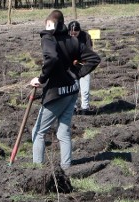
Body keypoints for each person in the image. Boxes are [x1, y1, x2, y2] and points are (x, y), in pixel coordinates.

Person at [30, 10, 100, 169]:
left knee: (38, 132)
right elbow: (94, 59)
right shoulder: (73, 41)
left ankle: (37, 170)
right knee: (63, 131)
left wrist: (41, 79)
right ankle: (66, 167)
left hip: (57, 93)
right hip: (72, 91)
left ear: (49, 24)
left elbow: (52, 58)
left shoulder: (48, 38)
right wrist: (77, 74)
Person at [69, 21, 95, 111]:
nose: (73, 35)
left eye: (75, 33)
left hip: (84, 66)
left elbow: (89, 51)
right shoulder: (67, 37)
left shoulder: (86, 36)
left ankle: (85, 108)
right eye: (71, 33)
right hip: (72, 67)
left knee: (85, 90)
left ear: (79, 31)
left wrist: (80, 60)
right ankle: (73, 107)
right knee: (73, 89)